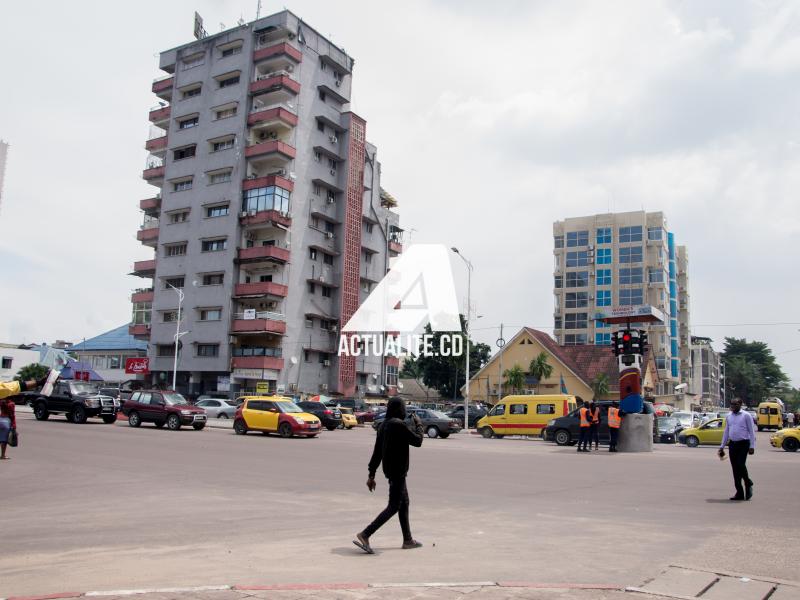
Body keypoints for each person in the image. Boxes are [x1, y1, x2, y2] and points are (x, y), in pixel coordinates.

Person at [354, 397, 424, 554]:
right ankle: (365, 534)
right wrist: (419, 424)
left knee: (404, 502)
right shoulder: (397, 425)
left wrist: (371, 475)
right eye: (403, 407)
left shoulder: (384, 425)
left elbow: (377, 453)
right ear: (399, 409)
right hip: (398, 471)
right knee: (394, 506)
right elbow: (418, 441)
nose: (405, 410)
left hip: (392, 471)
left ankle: (408, 540)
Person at [718, 398, 756, 501]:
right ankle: (739, 492)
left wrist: (752, 446)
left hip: (744, 443)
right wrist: (722, 446)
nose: (733, 406)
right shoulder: (729, 416)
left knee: (740, 464)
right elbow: (726, 432)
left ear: (740, 404)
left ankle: (748, 483)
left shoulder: (746, 415)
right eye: (731, 404)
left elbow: (752, 431)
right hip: (733, 444)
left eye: (735, 404)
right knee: (735, 469)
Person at [1, 378, 42, 460]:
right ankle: (3, 455)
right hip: (6, 422)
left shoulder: (2, 402)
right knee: (4, 440)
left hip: (1, 418)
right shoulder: (11, 404)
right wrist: (14, 427)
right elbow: (12, 416)